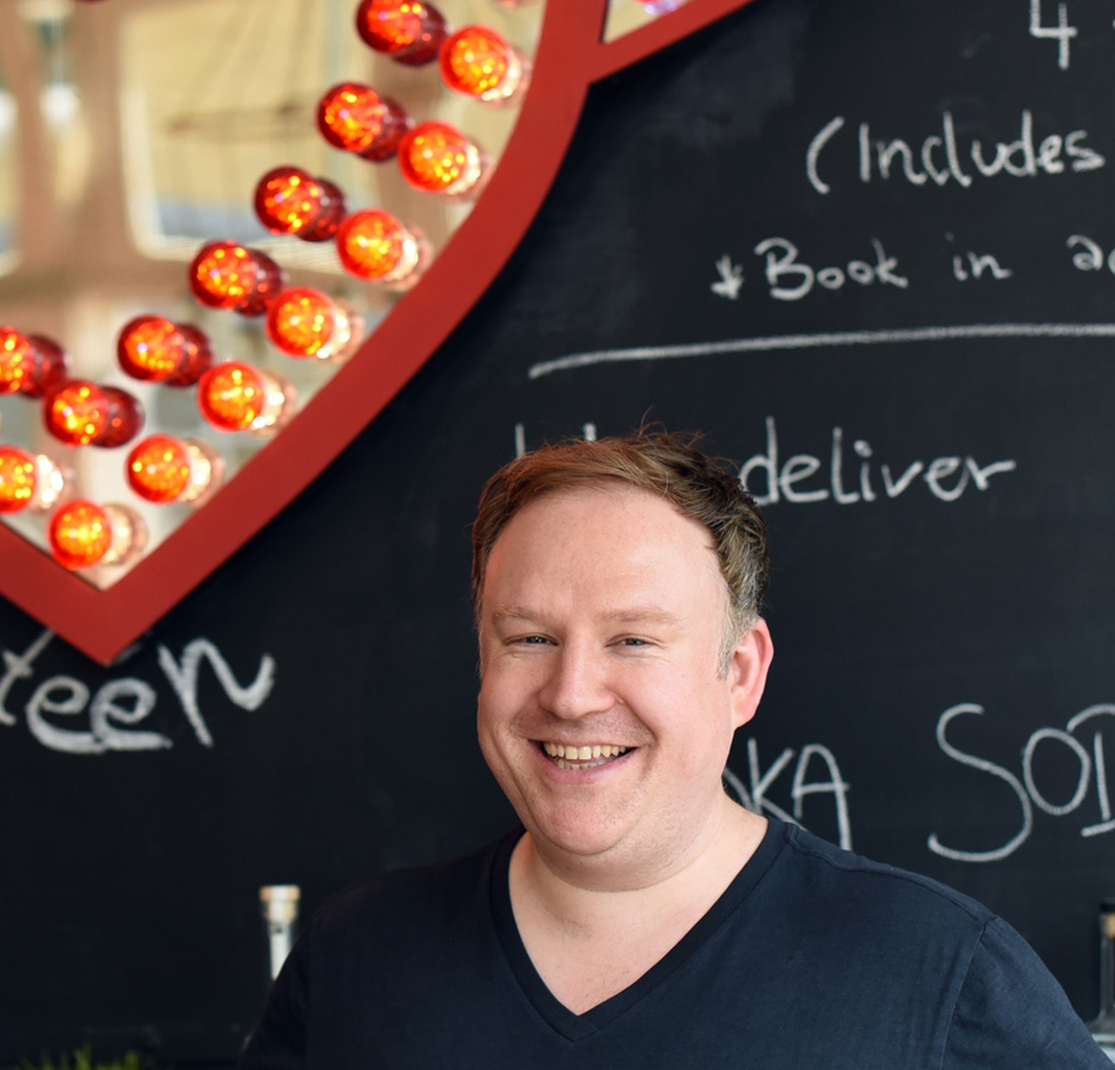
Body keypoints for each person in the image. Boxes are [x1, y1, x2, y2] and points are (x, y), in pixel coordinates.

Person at [237, 430, 1112, 1068]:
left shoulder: (942, 974)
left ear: (740, 673)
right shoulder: (355, 958)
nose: (572, 694)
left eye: (634, 640)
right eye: (531, 637)